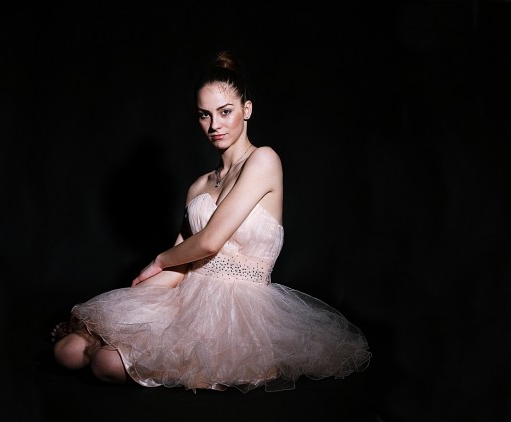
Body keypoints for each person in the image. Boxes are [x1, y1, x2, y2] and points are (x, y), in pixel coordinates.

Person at [51, 50, 371, 392]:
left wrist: (158, 259)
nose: (214, 124)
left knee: (105, 363)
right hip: (187, 297)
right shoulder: (198, 186)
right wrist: (115, 313)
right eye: (205, 114)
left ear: (247, 110)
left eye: (225, 111)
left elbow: (208, 242)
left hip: (240, 311)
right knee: (69, 350)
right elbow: (182, 266)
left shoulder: (264, 161)